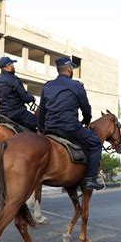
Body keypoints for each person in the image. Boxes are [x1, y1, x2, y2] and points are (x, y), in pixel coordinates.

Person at [38, 56, 103, 190]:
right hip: (70, 128)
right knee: (96, 143)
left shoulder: (48, 86)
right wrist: (86, 121)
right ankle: (90, 178)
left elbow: (42, 111)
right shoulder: (76, 86)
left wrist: (41, 129)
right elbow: (86, 109)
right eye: (72, 68)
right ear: (69, 69)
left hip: (50, 129)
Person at [0, 56, 37, 131]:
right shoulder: (14, 80)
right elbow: (25, 98)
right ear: (8, 66)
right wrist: (32, 98)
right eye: (12, 64)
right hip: (18, 114)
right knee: (40, 124)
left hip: (3, 114)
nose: (13, 66)